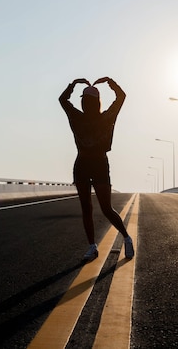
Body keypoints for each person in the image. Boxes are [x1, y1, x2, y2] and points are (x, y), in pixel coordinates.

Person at [59, 77, 134, 261]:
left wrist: (75, 84)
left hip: (96, 164)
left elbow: (62, 100)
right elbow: (121, 96)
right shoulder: (94, 117)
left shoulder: (97, 117)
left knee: (104, 208)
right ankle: (93, 246)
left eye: (87, 100)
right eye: (84, 100)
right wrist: (110, 82)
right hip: (86, 164)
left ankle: (126, 237)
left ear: (91, 102)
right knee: (90, 208)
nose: (86, 103)